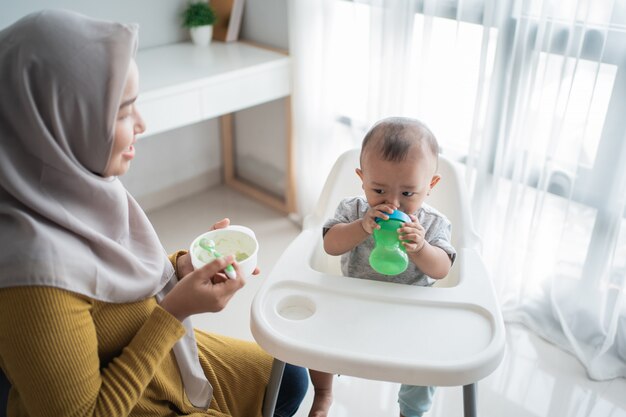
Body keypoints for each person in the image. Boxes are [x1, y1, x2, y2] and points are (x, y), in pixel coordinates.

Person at [0, 9, 308, 417]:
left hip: (143, 348)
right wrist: (175, 311)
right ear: (61, 121)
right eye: (123, 111)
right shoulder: (32, 276)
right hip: (128, 388)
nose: (141, 124)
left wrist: (182, 268)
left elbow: (109, 284)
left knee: (289, 377)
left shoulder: (76, 187)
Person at [308, 117, 457, 417]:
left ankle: (410, 411)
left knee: (429, 360)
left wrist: (421, 248)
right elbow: (330, 244)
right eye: (378, 191)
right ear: (362, 179)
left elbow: (442, 269)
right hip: (354, 299)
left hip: (410, 310)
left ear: (431, 186)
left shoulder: (433, 224)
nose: (393, 204)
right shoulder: (353, 211)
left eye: (407, 194)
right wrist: (361, 228)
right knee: (315, 335)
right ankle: (323, 393)